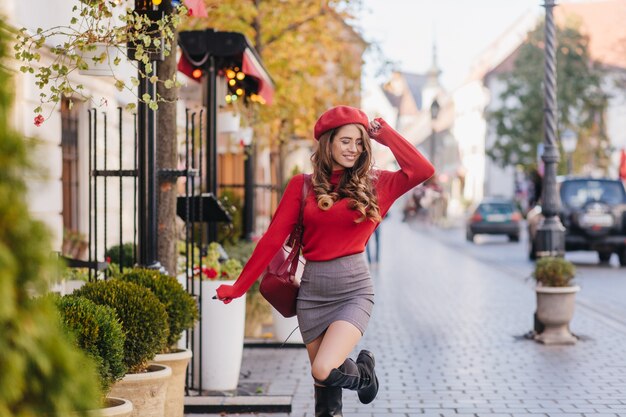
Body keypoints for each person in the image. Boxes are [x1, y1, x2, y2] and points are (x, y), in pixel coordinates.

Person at [215, 106, 434, 416]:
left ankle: (365, 377)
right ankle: (359, 379)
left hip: (353, 292)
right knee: (325, 396)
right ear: (328, 142)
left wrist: (384, 134)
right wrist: (239, 287)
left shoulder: (376, 184)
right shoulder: (301, 186)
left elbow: (422, 170)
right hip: (312, 296)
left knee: (323, 368)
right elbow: (272, 239)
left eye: (359, 143)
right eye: (345, 141)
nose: (353, 149)